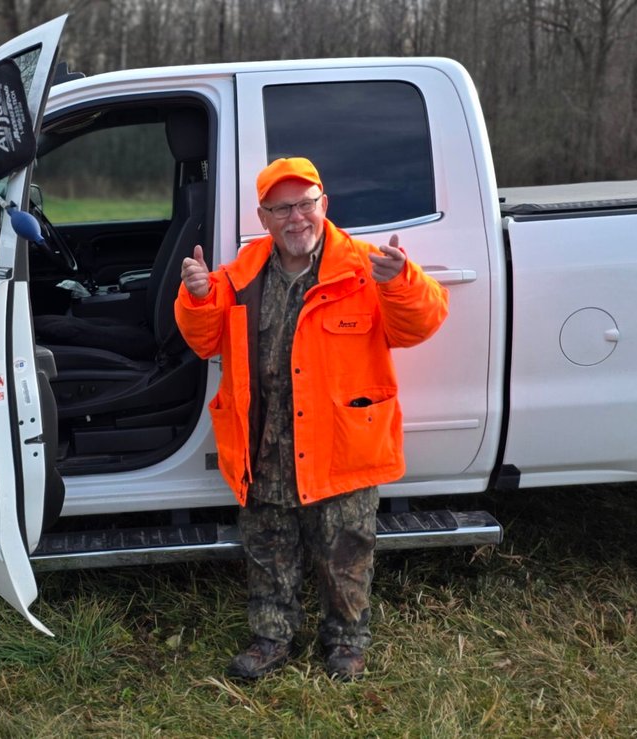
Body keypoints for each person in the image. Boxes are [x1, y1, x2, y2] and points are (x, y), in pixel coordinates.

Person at [174, 157, 449, 681]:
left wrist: (401, 282)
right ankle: (271, 639)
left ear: (324, 204)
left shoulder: (366, 266)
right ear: (263, 217)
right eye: (281, 208)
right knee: (268, 550)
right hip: (265, 443)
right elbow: (204, 340)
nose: (295, 217)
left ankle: (346, 643)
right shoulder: (242, 274)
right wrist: (199, 296)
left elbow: (420, 324)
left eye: (305, 204)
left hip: (341, 443)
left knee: (345, 551)